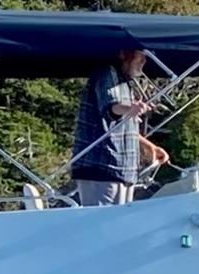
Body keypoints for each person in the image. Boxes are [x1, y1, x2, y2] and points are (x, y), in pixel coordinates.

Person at [71, 48, 168, 206]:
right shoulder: (107, 73)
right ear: (125, 55)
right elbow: (111, 107)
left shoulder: (124, 82)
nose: (144, 61)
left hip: (120, 171)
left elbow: (121, 127)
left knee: (118, 223)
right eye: (141, 56)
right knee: (103, 224)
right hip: (102, 168)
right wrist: (129, 108)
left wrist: (151, 147)